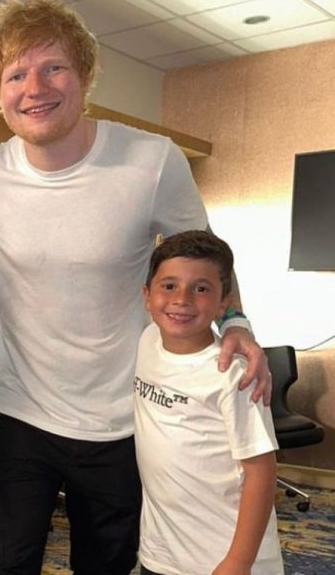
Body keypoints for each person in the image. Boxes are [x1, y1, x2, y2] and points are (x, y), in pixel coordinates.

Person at [0, 0, 271, 574]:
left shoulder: (150, 161)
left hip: (122, 418)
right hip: (20, 413)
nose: (35, 87)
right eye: (16, 74)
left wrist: (238, 322)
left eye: (54, 68)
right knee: (3, 565)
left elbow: (206, 260)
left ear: (84, 76)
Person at [136, 230, 282, 574]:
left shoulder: (234, 373)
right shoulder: (147, 341)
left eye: (200, 288)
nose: (182, 299)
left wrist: (238, 562)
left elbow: (261, 471)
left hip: (225, 559)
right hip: (163, 554)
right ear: (147, 295)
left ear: (222, 304)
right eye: (168, 285)